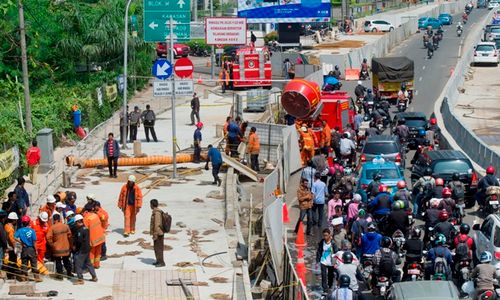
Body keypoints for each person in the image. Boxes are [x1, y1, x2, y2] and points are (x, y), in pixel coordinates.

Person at [15, 216, 42, 282]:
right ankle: (36, 278)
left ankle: (24, 278)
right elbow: (34, 241)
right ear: (29, 222)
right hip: (31, 249)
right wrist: (36, 250)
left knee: (24, 263)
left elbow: (14, 237)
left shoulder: (19, 230)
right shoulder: (32, 231)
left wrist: (21, 242)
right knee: (33, 263)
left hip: (24, 249)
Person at [72, 214, 97, 284]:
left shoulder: (80, 231)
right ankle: (94, 276)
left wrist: (75, 247)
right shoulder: (86, 229)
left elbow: (79, 241)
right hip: (87, 249)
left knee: (78, 264)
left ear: (77, 222)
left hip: (82, 250)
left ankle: (80, 279)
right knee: (88, 263)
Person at [46, 213, 72, 280]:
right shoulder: (66, 226)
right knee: (66, 261)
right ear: (60, 219)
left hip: (57, 248)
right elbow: (70, 236)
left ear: (54, 220)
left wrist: (52, 245)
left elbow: (48, 237)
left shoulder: (52, 227)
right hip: (66, 247)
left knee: (58, 261)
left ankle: (60, 275)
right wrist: (70, 245)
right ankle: (69, 273)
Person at [316, 228, 338, 295]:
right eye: (324, 235)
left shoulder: (333, 243)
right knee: (323, 275)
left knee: (330, 275)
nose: (325, 237)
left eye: (326, 235)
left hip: (331, 262)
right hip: (323, 261)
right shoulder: (322, 242)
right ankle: (325, 289)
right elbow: (319, 251)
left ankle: (330, 286)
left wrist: (336, 262)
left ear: (329, 235)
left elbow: (336, 252)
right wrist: (317, 260)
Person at [83, 204, 105, 269]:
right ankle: (97, 265)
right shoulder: (95, 215)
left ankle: (91, 266)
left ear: (86, 211)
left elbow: (85, 230)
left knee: (91, 254)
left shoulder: (86, 218)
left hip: (93, 239)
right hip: (100, 237)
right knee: (98, 252)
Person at [150, 199, 165, 267]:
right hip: (158, 233)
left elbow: (157, 224)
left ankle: (161, 262)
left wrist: (155, 234)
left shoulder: (157, 213)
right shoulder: (155, 212)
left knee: (159, 248)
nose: (150, 206)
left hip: (159, 233)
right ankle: (158, 261)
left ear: (152, 205)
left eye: (150, 204)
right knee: (156, 248)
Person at [4, 212, 19, 280]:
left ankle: (11, 274)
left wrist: (18, 241)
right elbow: (11, 239)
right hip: (10, 247)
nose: (16, 221)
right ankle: (11, 275)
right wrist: (15, 247)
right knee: (12, 261)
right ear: (13, 220)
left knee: (11, 260)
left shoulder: (6, 226)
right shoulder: (10, 228)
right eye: (15, 220)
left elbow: (12, 237)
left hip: (7, 246)